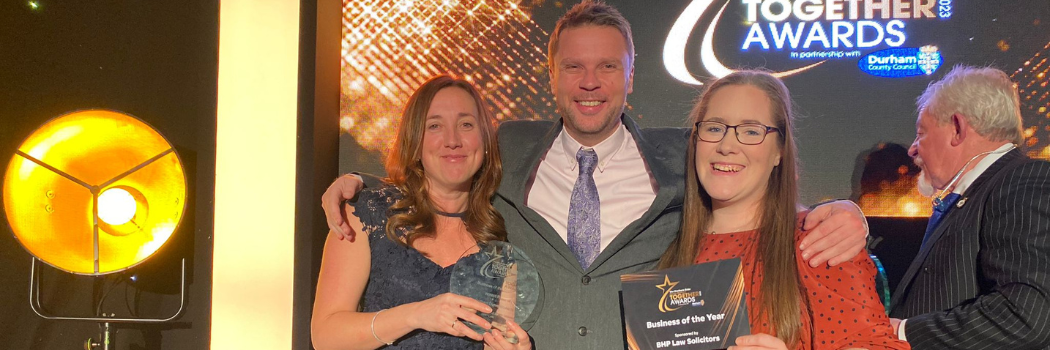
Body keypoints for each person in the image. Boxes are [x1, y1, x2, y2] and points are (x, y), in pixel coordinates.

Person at [322, 2, 870, 348]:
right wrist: (363, 185)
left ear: (631, 76)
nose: (590, 82)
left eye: (607, 66)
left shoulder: (682, 154)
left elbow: (746, 182)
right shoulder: (508, 146)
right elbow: (442, 163)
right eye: (574, 67)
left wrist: (836, 213)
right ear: (552, 76)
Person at [659, 70, 909, 350]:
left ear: (779, 150)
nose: (727, 146)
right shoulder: (661, 244)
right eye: (714, 128)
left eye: (751, 131)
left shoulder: (817, 244)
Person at [311, 75, 532, 350]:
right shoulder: (367, 215)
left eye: (466, 124)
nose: (453, 140)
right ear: (414, 141)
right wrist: (416, 315)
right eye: (435, 126)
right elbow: (325, 337)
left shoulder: (501, 236)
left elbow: (498, 337)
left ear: (485, 141)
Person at [888, 66, 1050, 349]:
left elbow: (1025, 315)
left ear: (957, 128)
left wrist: (903, 332)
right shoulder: (970, 195)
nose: (913, 149)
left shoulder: (1024, 179)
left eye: (921, 133)